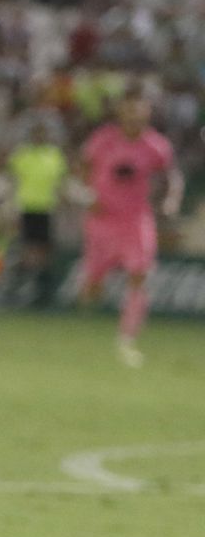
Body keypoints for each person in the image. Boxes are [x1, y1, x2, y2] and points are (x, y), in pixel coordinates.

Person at [76, 88, 183, 367]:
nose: (134, 117)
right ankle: (83, 319)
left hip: (136, 220)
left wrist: (171, 200)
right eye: (129, 111)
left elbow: (171, 175)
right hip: (102, 220)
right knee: (93, 283)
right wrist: (87, 196)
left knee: (139, 274)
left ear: (147, 114)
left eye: (140, 112)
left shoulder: (156, 146)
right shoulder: (103, 139)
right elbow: (83, 168)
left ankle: (127, 340)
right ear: (121, 113)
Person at [6, 116, 68, 307]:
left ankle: (40, 292)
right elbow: (13, 180)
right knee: (26, 248)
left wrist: (62, 201)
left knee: (44, 250)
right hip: (26, 206)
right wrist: (9, 206)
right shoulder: (22, 155)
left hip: (46, 207)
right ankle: (19, 288)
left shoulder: (55, 156)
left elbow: (60, 183)